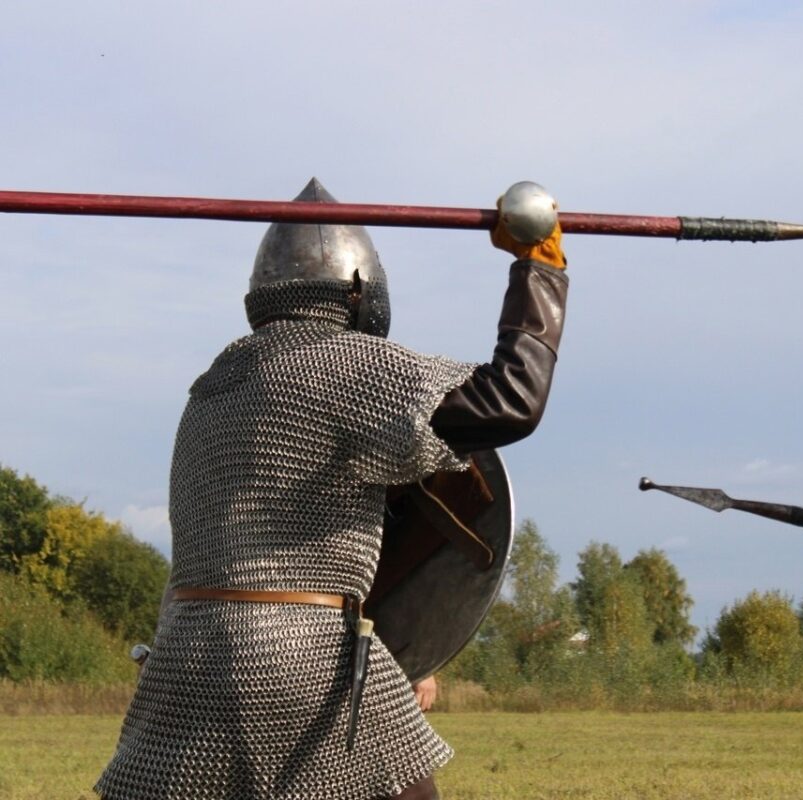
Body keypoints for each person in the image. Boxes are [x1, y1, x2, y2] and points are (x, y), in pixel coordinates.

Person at [95, 178, 568, 800]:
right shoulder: (346, 364)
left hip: (185, 654)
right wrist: (538, 266)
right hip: (300, 652)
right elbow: (510, 402)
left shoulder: (211, 388)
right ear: (356, 289)